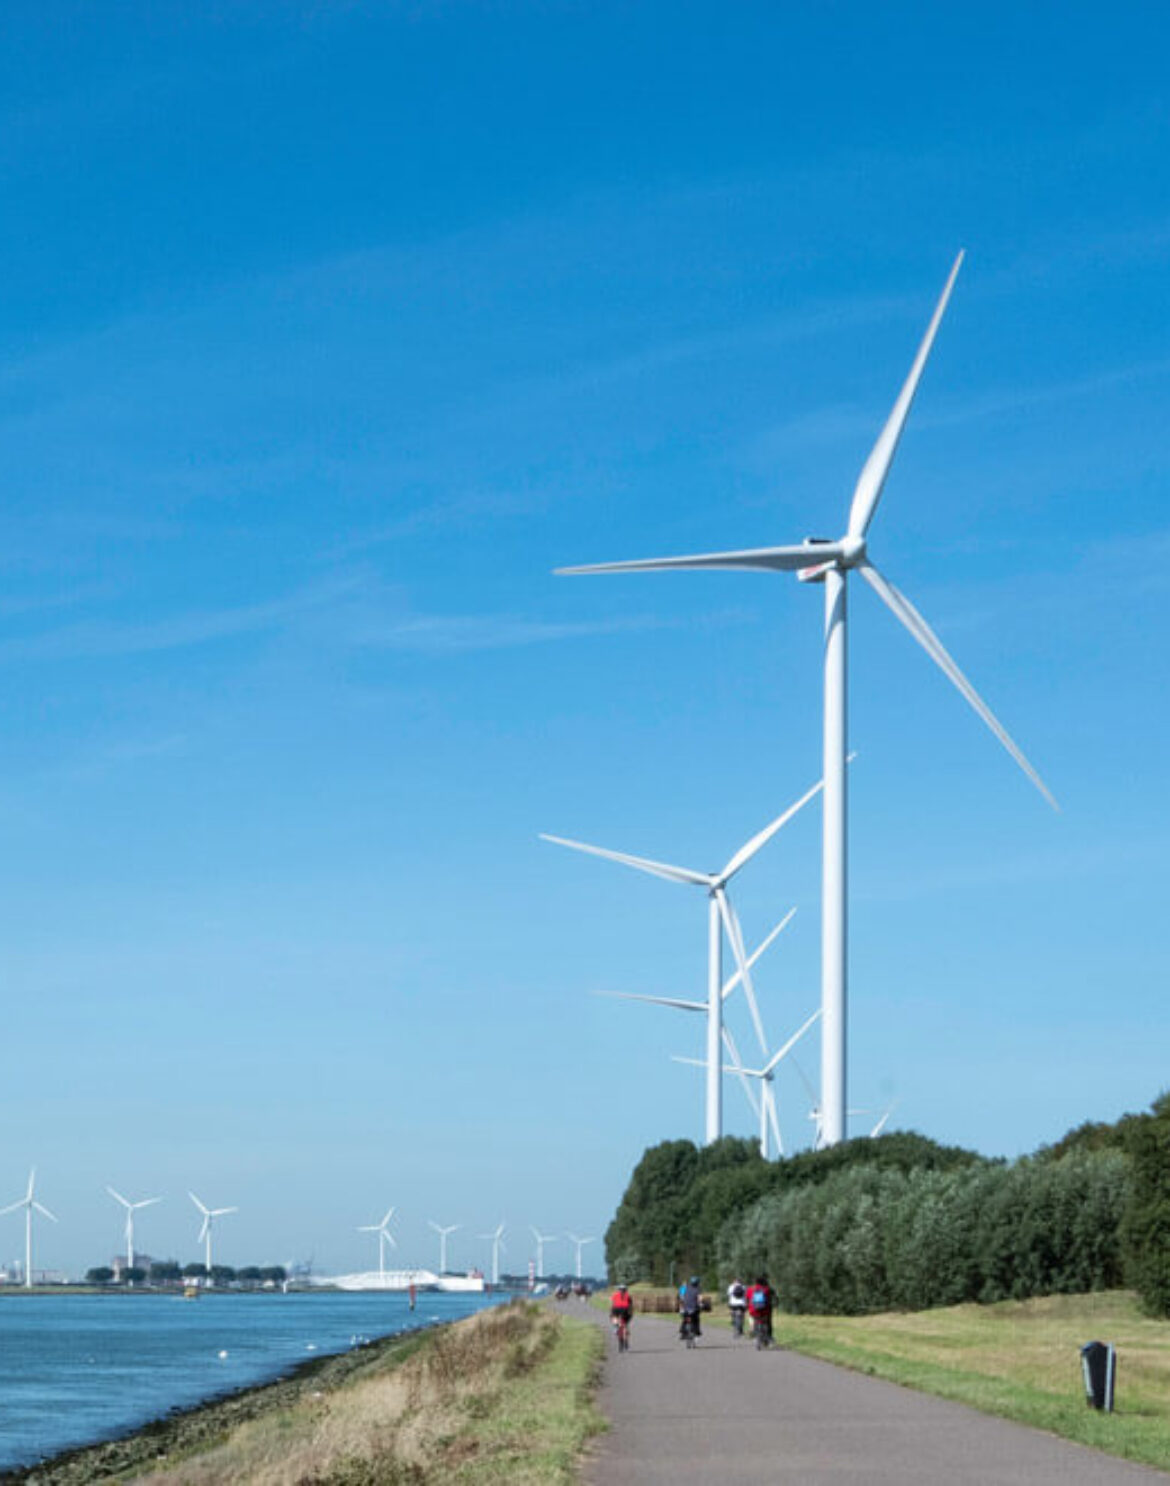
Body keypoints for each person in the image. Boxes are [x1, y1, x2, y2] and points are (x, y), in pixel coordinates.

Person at [746, 1274, 775, 1346]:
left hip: (753, 1311)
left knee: (755, 1320)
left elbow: (747, 1299)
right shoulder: (766, 1289)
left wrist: (748, 1307)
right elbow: (772, 1297)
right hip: (765, 1311)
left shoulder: (750, 1289)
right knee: (767, 1322)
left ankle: (755, 1335)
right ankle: (768, 1338)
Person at [678, 1275, 702, 1339]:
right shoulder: (698, 1289)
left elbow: (682, 1297)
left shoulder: (686, 1288)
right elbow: (699, 1299)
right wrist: (701, 1304)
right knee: (696, 1319)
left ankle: (682, 1333)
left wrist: (681, 1306)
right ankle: (697, 1331)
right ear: (697, 1283)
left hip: (685, 1308)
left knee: (684, 1320)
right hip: (693, 1309)